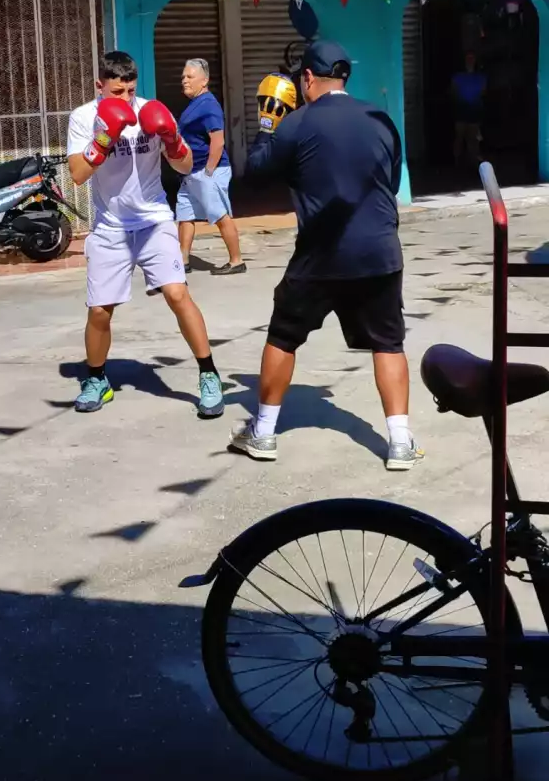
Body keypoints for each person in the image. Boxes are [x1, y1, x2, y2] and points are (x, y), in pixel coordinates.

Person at [228, 44, 423, 472]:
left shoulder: (297, 123)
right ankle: (400, 442)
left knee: (282, 336)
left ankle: (262, 433)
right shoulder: (380, 119)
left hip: (320, 254)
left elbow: (256, 173)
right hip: (378, 251)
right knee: (389, 343)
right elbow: (390, 182)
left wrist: (267, 124)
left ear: (309, 79)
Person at [67, 50, 224, 418]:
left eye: (130, 90)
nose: (125, 99)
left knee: (177, 292)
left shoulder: (153, 110)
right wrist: (105, 138)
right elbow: (77, 174)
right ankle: (96, 379)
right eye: (117, 91)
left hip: (154, 219)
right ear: (100, 86)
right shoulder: (84, 118)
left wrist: (171, 139)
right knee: (100, 312)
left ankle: (209, 375)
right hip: (110, 227)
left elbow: (185, 165)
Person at [175, 58, 246, 276]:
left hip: (207, 171)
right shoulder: (195, 104)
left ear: (204, 81)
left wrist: (208, 171)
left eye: (190, 77)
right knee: (185, 214)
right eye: (183, 77)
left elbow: (218, 141)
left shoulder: (208, 105)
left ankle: (237, 261)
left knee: (219, 215)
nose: (184, 81)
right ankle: (183, 259)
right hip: (191, 172)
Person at [451, 52, 486, 169]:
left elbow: (483, 92)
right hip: (461, 109)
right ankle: (457, 163)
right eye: (468, 59)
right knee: (459, 136)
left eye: (472, 58)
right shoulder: (458, 77)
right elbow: (453, 92)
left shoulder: (480, 77)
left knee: (473, 137)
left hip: (475, 109)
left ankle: (473, 163)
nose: (470, 61)